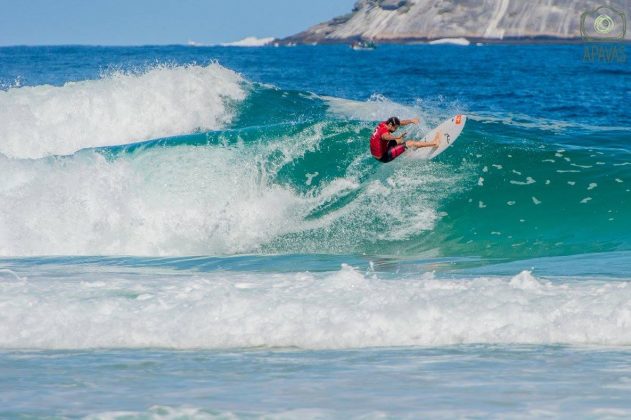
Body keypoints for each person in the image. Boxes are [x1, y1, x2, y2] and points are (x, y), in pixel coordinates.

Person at [370, 116, 440, 163]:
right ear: (390, 125)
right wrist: (396, 137)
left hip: (377, 153)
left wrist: (411, 121)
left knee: (400, 141)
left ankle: (406, 151)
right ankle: (435, 143)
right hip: (383, 157)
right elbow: (385, 137)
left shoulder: (384, 124)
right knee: (410, 143)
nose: (395, 129)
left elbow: (400, 123)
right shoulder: (384, 133)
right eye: (395, 128)